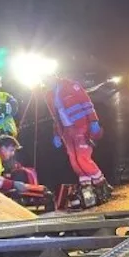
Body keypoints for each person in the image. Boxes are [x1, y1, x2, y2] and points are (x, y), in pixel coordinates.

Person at [44, 74, 111, 203]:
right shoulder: (49, 95)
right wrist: (57, 134)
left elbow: (86, 103)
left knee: (82, 158)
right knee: (74, 160)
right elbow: (55, 118)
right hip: (66, 131)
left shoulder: (70, 85)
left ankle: (101, 184)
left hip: (81, 126)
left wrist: (93, 121)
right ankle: (87, 187)